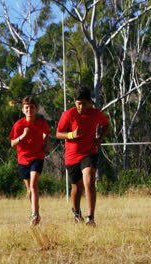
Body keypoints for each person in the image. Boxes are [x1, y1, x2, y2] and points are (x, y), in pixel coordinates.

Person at [56, 87, 109, 226]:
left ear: (89, 103)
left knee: (90, 180)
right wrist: (70, 135)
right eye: (78, 103)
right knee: (77, 188)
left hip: (89, 152)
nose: (81, 107)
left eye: (84, 104)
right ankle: (76, 211)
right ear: (74, 102)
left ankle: (90, 217)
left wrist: (99, 139)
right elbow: (58, 133)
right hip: (72, 156)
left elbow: (106, 124)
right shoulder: (68, 115)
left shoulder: (95, 114)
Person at [9, 97, 51, 226]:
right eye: (27, 107)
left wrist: (45, 144)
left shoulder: (42, 122)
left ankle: (34, 215)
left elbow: (46, 133)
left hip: (37, 157)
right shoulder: (18, 125)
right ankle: (35, 210)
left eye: (32, 107)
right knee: (29, 189)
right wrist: (22, 137)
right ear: (23, 110)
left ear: (36, 109)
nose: (29, 110)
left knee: (33, 184)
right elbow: (12, 143)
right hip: (23, 159)